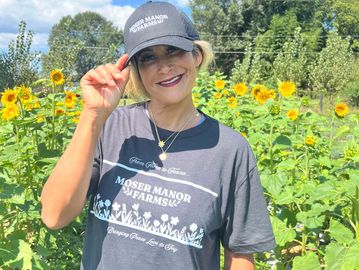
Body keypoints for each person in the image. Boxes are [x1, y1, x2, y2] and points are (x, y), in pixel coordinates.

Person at [40, 1, 275, 269]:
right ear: (136, 70)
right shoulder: (111, 127)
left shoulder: (230, 149)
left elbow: (240, 254)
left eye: (173, 50)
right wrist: (93, 115)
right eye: (148, 57)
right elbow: (54, 215)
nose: (164, 66)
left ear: (196, 55)